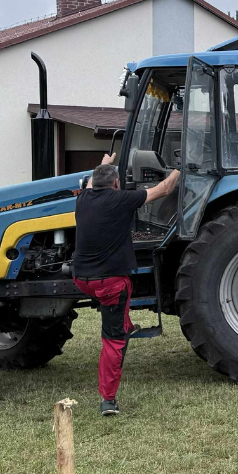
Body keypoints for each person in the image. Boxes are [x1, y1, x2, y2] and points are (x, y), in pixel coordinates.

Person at [72, 155, 179, 416]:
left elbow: (89, 183)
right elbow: (164, 189)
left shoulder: (83, 198)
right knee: (113, 340)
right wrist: (181, 167)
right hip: (108, 282)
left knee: (123, 290)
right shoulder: (123, 200)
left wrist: (104, 161)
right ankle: (108, 400)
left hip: (81, 278)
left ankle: (126, 324)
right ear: (117, 184)